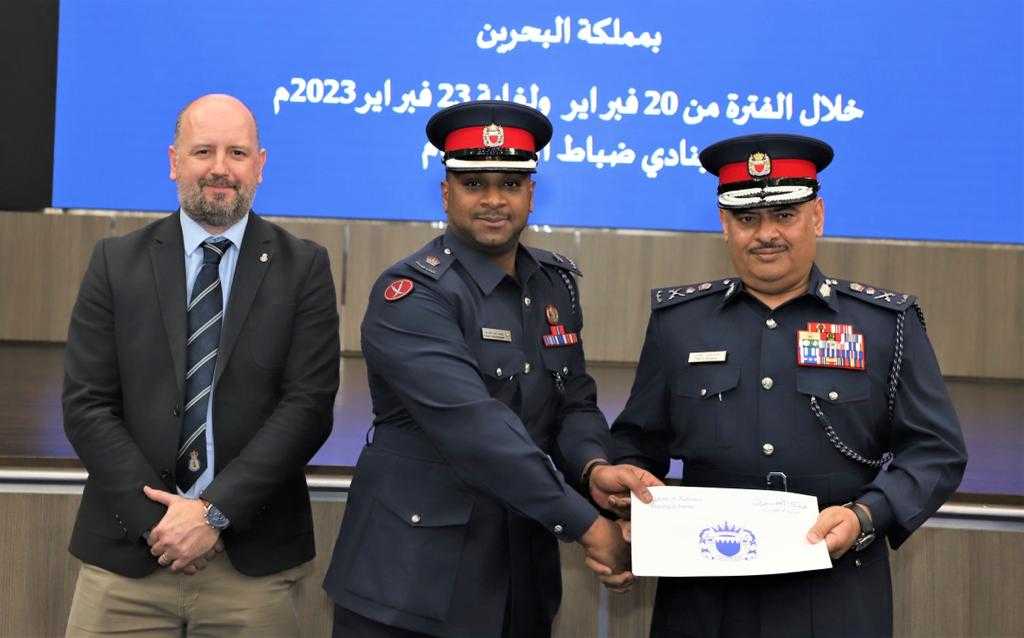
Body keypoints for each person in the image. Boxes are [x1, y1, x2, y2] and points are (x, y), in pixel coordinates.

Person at [323, 100, 659, 638]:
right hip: (410, 586)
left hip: (519, 578)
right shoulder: (412, 293)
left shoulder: (554, 284)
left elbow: (574, 402)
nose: (494, 200)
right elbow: (477, 431)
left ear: (531, 194)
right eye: (474, 183)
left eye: (510, 183)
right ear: (446, 193)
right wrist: (590, 527)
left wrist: (594, 468)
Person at [610, 133, 967, 637]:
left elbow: (936, 451)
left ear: (817, 216)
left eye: (785, 215)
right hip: (704, 595)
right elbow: (637, 443)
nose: (766, 234)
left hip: (836, 588)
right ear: (724, 224)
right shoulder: (679, 323)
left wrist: (867, 515)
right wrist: (630, 503)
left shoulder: (883, 324)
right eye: (747, 219)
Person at [62, 93, 340, 636]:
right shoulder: (115, 263)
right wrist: (163, 525)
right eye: (202, 151)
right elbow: (86, 405)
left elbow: (308, 408)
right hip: (128, 558)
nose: (220, 168)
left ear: (260, 165)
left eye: (237, 153)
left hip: (249, 566)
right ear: (174, 161)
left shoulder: (304, 267)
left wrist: (212, 513)